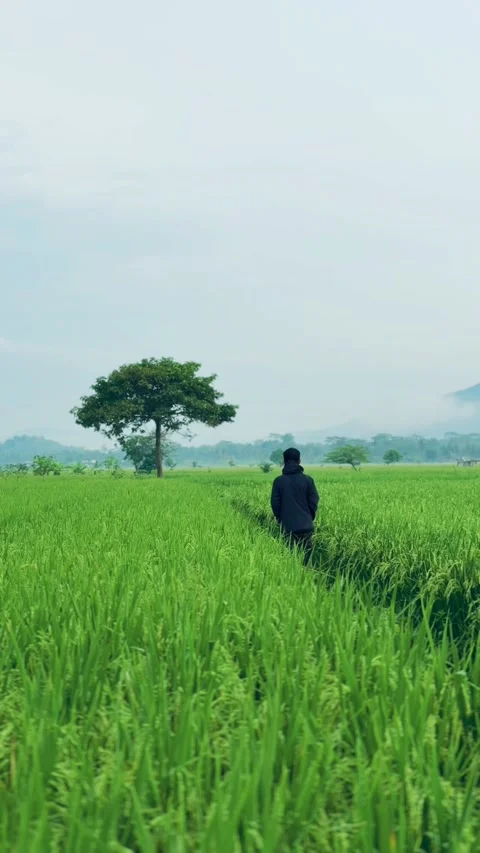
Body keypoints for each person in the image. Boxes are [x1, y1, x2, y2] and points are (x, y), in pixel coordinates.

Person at [270, 447, 319, 564]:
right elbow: (314, 500)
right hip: (306, 526)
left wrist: (280, 519)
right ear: (299, 461)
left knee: (291, 560)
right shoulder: (308, 480)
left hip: (287, 527)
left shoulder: (279, 481)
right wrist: (309, 517)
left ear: (284, 461)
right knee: (307, 561)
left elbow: (275, 504)